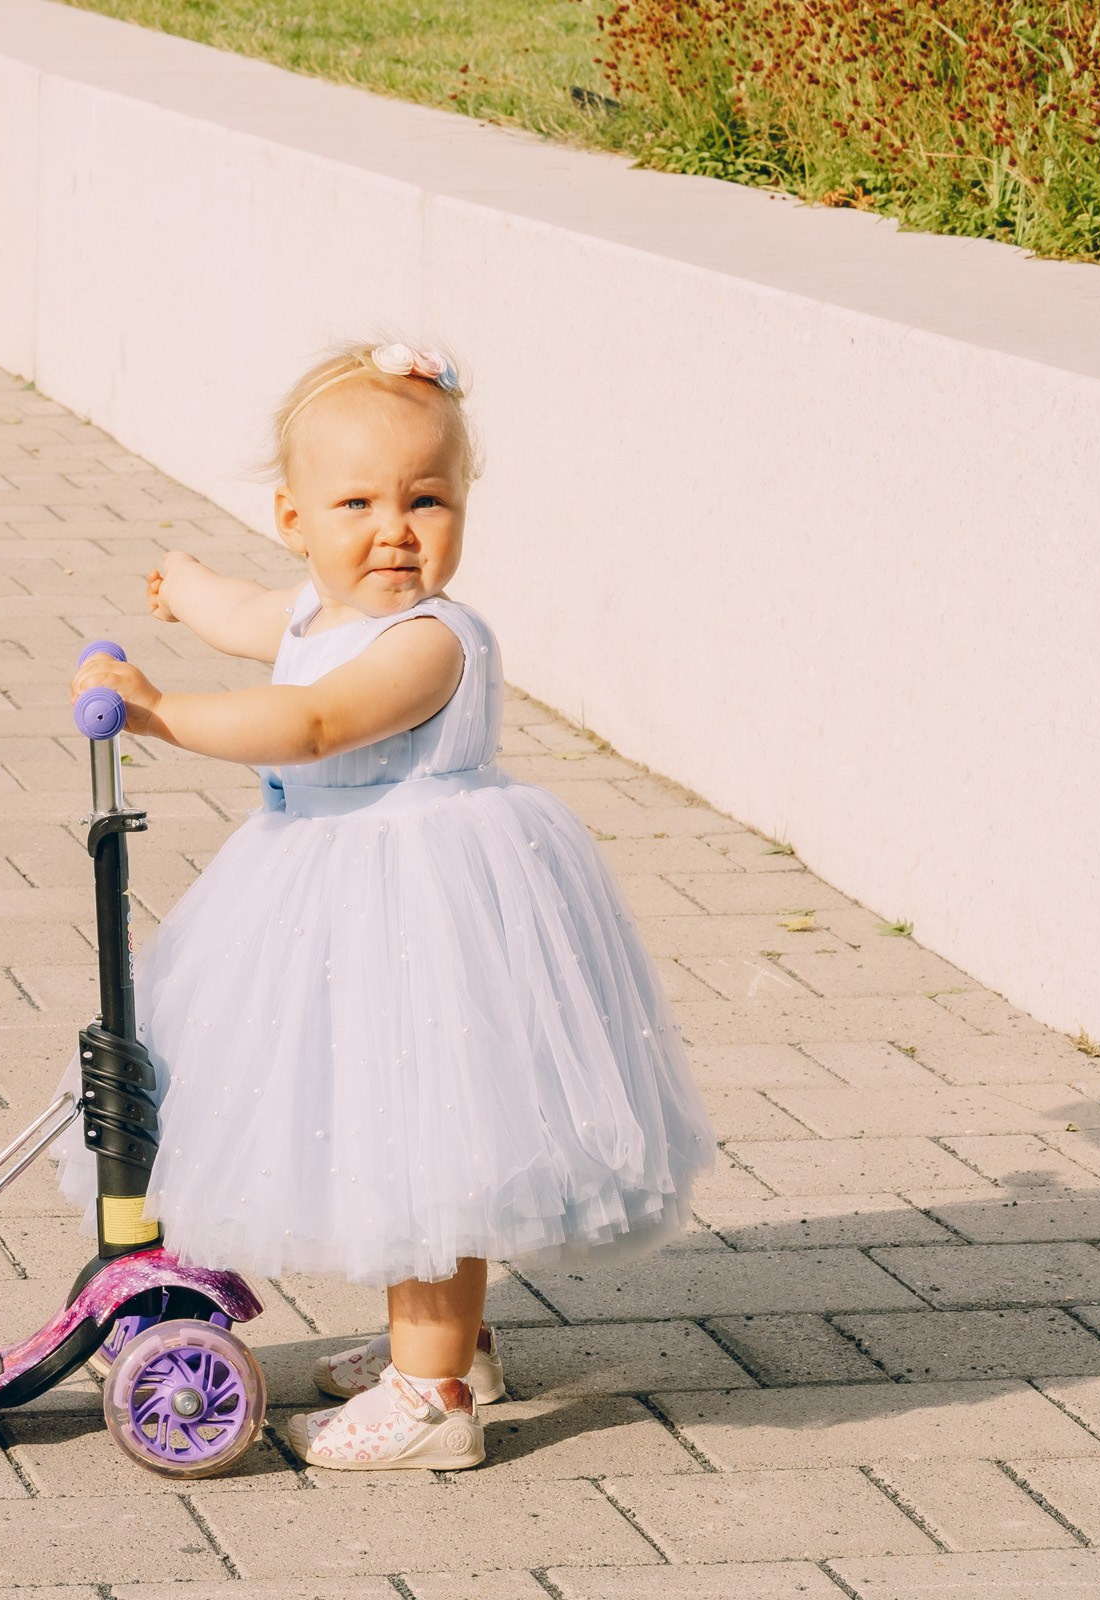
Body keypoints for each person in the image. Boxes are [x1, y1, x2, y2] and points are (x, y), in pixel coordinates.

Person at [60, 341, 714, 1470]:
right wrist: (188, 588)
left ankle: (432, 1394)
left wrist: (164, 713)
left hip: (423, 905)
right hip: (335, 895)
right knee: (386, 1121)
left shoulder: (430, 643)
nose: (396, 531)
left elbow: (312, 723)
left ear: (463, 509)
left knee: (429, 1140)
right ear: (296, 519)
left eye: (427, 500)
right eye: (357, 504)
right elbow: (260, 617)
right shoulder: (320, 609)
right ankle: (449, 1342)